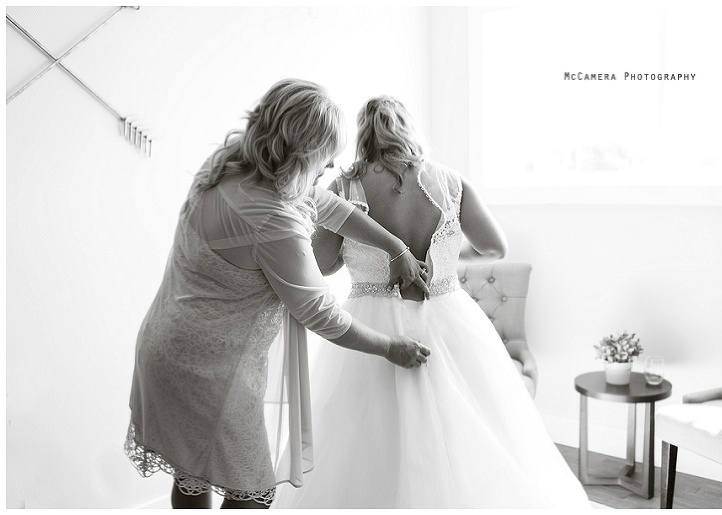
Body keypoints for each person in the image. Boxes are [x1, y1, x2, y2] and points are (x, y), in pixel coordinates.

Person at [123, 80, 432, 509]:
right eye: (327, 154)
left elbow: (329, 207)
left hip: (164, 346)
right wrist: (390, 347)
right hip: (210, 373)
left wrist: (394, 247)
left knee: (193, 472)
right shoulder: (273, 219)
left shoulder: (231, 165)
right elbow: (320, 313)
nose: (333, 164)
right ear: (303, 153)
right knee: (254, 493)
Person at [272, 96, 593, 508]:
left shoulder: (346, 186)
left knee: (363, 441)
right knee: (465, 435)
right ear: (409, 128)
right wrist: (445, 257)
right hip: (447, 315)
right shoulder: (450, 182)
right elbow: (495, 247)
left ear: (363, 133)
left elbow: (321, 263)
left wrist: (353, 253)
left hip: (372, 322)